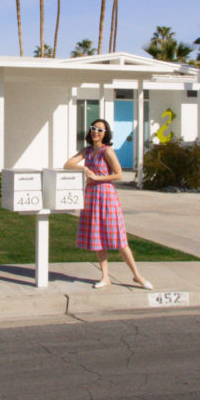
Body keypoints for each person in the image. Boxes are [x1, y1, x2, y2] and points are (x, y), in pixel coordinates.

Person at [64, 119, 153, 290]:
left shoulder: (107, 151)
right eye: (93, 128)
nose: (95, 132)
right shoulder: (87, 151)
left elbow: (118, 174)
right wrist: (84, 169)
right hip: (91, 197)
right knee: (98, 238)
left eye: (100, 130)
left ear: (105, 133)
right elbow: (68, 164)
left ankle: (137, 275)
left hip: (106, 196)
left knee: (119, 239)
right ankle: (105, 276)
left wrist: (97, 177)